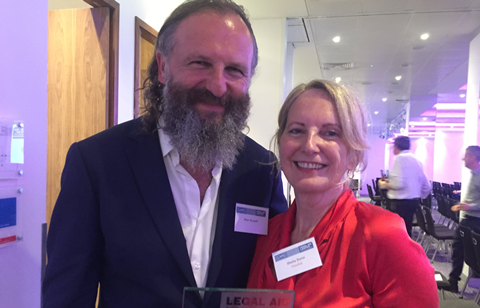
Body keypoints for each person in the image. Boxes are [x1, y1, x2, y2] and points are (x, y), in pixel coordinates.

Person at [42, 1, 288, 307]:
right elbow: (66, 296)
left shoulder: (262, 170)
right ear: (163, 67)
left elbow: (276, 277)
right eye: (200, 63)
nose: (217, 85)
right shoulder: (97, 163)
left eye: (235, 70)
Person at [247, 80, 438, 307]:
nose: (309, 145)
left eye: (330, 133)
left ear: (353, 153)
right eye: (296, 130)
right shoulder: (268, 233)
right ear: (281, 142)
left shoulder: (382, 236)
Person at [378, 136, 431, 237]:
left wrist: (383, 185)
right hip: (412, 202)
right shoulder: (417, 160)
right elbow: (427, 186)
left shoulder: (399, 159)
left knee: (397, 234)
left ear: (396, 146)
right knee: (406, 232)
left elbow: (397, 184)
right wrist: (417, 195)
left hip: (399, 204)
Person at [448, 145, 480, 293]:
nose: (463, 158)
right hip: (467, 220)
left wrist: (469, 206)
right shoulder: (472, 174)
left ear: (473, 157)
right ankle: (453, 281)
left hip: (475, 222)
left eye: (466, 156)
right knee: (457, 248)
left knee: (473, 256)